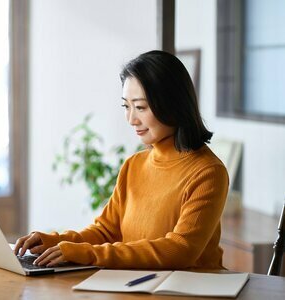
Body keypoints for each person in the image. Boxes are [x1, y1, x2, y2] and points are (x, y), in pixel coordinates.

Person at [14, 50, 229, 270]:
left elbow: (180, 249)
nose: (131, 119)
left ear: (173, 103)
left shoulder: (208, 172)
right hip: (137, 286)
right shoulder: (134, 165)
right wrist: (53, 242)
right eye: (126, 106)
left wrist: (85, 253)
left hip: (189, 290)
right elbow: (106, 232)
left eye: (141, 107)